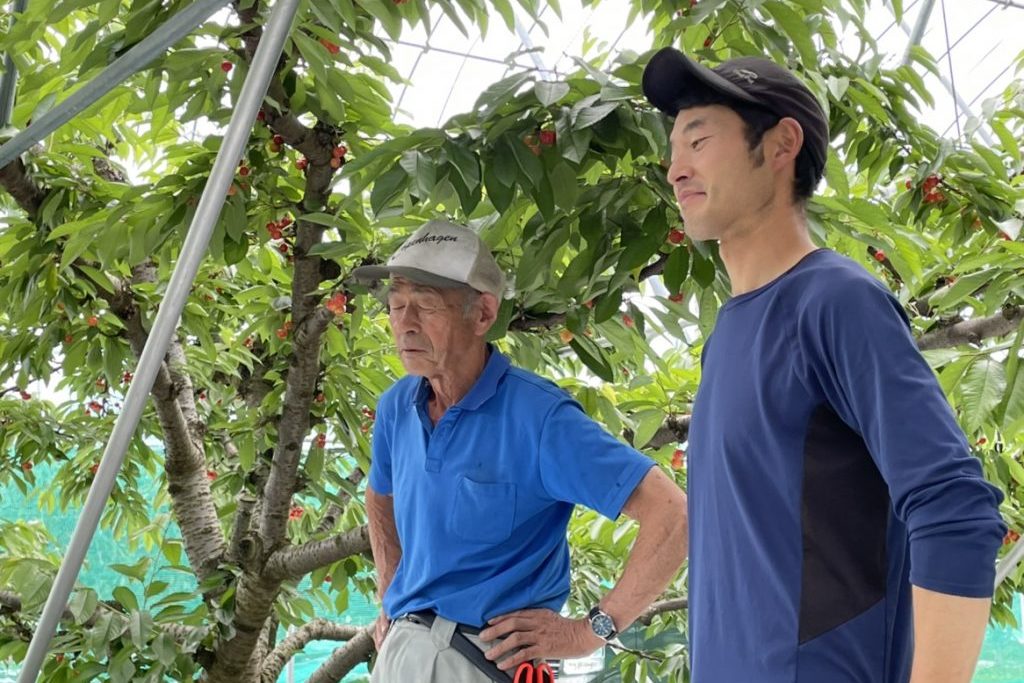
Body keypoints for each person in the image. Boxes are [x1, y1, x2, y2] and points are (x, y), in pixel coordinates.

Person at [641, 47, 1007, 683]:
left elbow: (956, 510)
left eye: (698, 140)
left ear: (782, 144)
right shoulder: (728, 332)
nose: (676, 169)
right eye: (672, 148)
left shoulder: (835, 301)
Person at [353, 219, 688, 682]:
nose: (404, 324)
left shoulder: (540, 417)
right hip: (403, 654)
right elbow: (380, 496)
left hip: (480, 661)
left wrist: (589, 632)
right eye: (396, 305)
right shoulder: (397, 405)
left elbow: (673, 515)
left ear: (483, 314)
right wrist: (390, 596)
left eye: (426, 306)